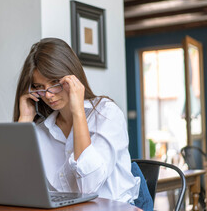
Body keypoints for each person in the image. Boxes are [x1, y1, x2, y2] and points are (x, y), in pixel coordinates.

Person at [13, 38, 140, 204]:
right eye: (39, 86)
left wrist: (78, 111)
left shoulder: (106, 114)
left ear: (72, 78)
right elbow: (16, 186)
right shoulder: (41, 129)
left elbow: (89, 187)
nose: (48, 94)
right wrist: (25, 118)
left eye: (54, 82)